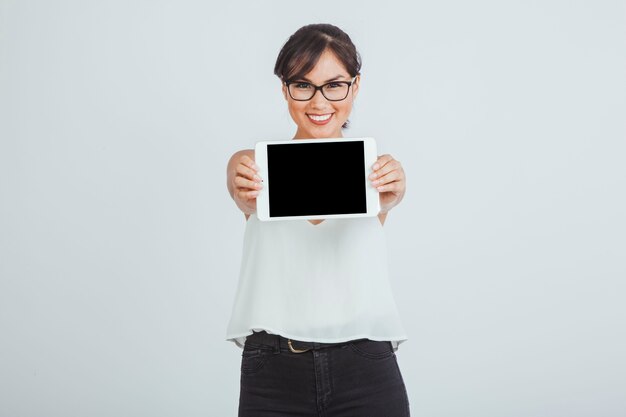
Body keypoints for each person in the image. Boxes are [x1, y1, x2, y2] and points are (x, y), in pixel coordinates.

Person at [226, 23, 410, 416]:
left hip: (365, 367)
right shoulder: (255, 168)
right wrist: (238, 181)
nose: (319, 101)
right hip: (272, 373)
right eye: (303, 85)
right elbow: (239, 188)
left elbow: (385, 203)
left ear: (354, 86)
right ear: (285, 89)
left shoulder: (375, 173)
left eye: (334, 85)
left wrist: (390, 201)